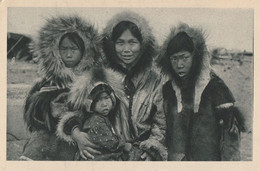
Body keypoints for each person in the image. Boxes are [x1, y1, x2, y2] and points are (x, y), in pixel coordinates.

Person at [56, 11, 167, 161]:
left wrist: (152, 149)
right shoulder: (98, 73)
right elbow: (72, 110)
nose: (126, 49)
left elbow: (161, 123)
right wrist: (76, 134)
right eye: (120, 43)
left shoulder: (155, 79)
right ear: (112, 45)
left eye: (132, 42)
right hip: (103, 152)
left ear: (143, 44)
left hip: (139, 152)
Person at [157, 23, 246, 161]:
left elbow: (230, 141)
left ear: (195, 57)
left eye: (184, 58)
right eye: (174, 59)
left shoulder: (216, 88)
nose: (179, 65)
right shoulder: (168, 90)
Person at [20, 16, 101, 160]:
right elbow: (34, 116)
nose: (68, 54)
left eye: (74, 49)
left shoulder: (92, 81)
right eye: (64, 49)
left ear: (84, 52)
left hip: (81, 139)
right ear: (56, 51)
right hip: (48, 137)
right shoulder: (46, 82)